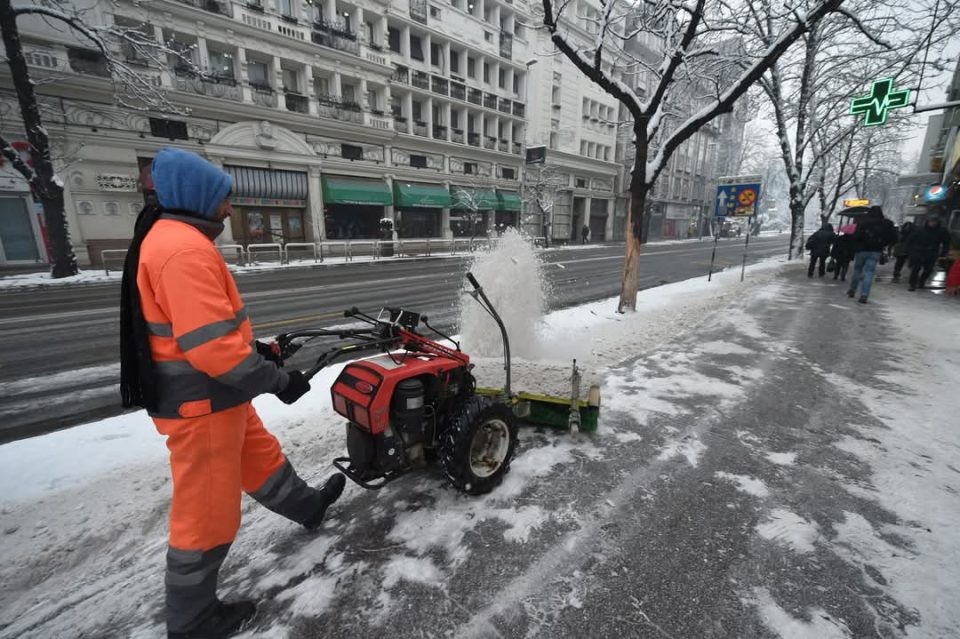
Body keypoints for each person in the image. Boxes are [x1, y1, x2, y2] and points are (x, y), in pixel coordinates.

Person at [119, 148, 346, 638]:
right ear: (200, 199)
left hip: (216, 398)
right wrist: (277, 381)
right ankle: (193, 618)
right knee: (206, 512)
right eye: (223, 200)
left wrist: (258, 349)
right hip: (200, 405)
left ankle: (308, 508)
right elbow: (213, 351)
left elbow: (202, 331)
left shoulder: (173, 239)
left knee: (260, 458)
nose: (228, 210)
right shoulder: (183, 250)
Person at [847, 206, 896, 304]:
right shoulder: (887, 224)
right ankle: (864, 295)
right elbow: (893, 237)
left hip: (861, 250)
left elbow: (855, 237)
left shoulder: (862, 222)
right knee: (869, 273)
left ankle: (852, 290)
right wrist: (883, 244)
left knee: (857, 270)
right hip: (875, 251)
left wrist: (856, 246)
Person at [906, 215, 951, 291]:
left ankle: (921, 281)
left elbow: (946, 242)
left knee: (928, 270)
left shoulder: (941, 231)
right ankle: (912, 284)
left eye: (934, 222)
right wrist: (910, 250)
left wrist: (944, 251)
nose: (932, 223)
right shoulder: (920, 230)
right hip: (918, 251)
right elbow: (910, 239)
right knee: (916, 269)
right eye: (931, 222)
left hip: (931, 252)